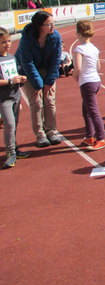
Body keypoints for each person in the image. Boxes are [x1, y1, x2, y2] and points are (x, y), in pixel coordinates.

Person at [15, 10, 63, 148]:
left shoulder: (55, 37)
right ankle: (40, 135)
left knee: (49, 99)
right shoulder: (27, 38)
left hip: (47, 68)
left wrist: (49, 81)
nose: (53, 27)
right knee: (36, 101)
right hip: (27, 71)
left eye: (54, 23)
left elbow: (56, 60)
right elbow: (27, 62)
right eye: (49, 24)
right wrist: (38, 84)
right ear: (39, 26)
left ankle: (52, 131)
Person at [74, 20, 105, 150]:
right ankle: (89, 136)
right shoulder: (94, 48)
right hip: (96, 80)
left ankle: (101, 138)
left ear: (78, 34)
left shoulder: (79, 49)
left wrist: (74, 75)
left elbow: (78, 68)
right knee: (86, 110)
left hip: (87, 82)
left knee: (93, 111)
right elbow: (98, 66)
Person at [0, 27, 31, 168]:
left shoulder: (11, 57)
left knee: (14, 125)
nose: (7, 44)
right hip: (3, 99)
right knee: (9, 125)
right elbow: (8, 79)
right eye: (3, 42)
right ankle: (10, 153)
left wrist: (20, 79)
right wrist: (11, 81)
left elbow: (15, 74)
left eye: (8, 41)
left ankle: (15, 148)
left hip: (15, 96)